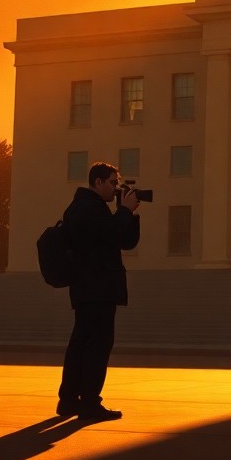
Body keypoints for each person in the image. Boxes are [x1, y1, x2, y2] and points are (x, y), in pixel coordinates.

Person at [57, 161, 141, 420]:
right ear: (97, 182)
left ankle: (70, 400)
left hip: (92, 288)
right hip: (95, 288)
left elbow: (124, 241)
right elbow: (109, 233)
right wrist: (123, 212)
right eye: (112, 183)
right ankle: (89, 403)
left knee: (82, 343)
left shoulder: (93, 208)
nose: (116, 189)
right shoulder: (85, 208)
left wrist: (130, 214)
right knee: (97, 345)